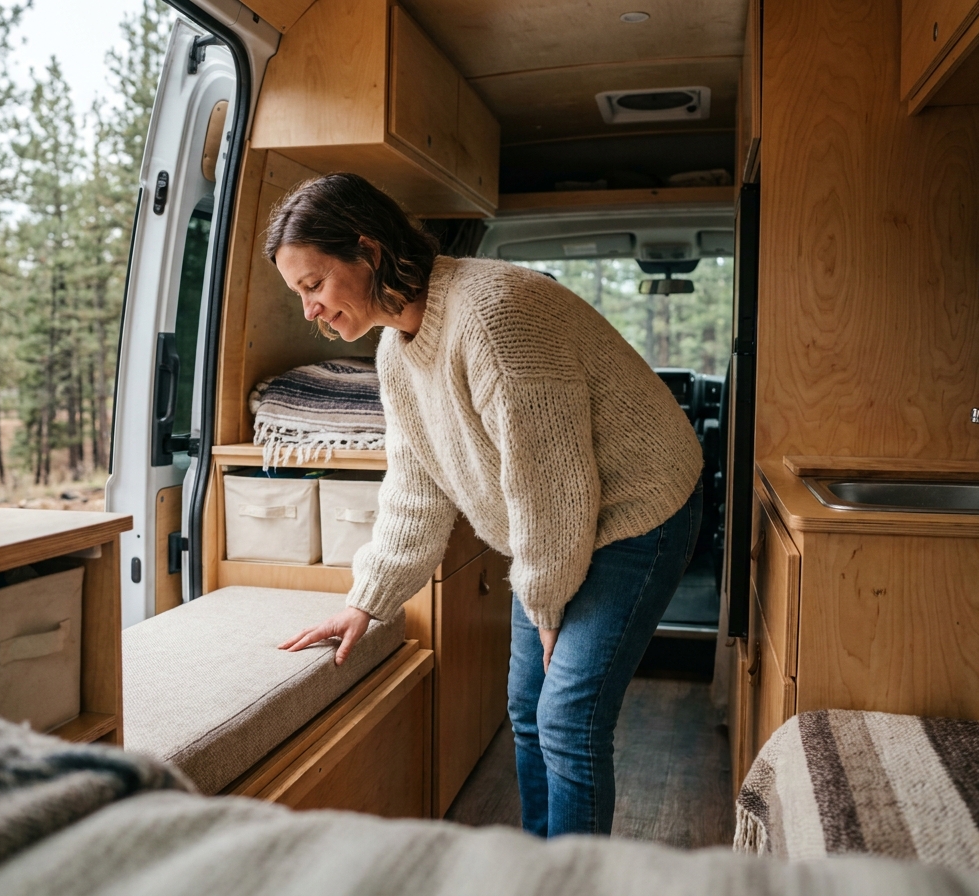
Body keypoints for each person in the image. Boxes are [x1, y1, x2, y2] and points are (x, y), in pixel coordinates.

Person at [270, 173, 703, 838]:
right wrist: (367, 600)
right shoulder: (394, 352)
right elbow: (415, 483)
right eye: (300, 294)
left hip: (639, 510)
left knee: (568, 719)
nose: (310, 310)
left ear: (368, 249)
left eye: (314, 284)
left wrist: (547, 602)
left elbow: (551, 486)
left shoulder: (496, 316)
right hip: (558, 521)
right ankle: (535, 874)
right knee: (526, 711)